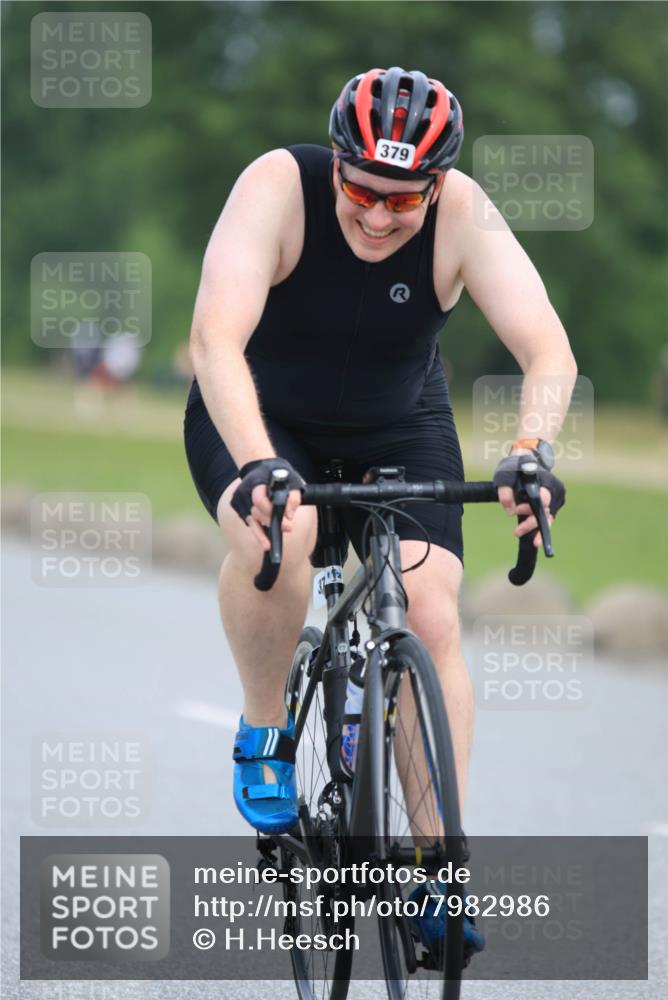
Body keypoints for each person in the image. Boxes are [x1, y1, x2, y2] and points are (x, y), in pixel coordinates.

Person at [185, 67, 575, 957]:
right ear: (336, 167)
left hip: (400, 421)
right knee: (283, 533)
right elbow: (216, 338)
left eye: (404, 200)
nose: (377, 214)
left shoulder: (462, 213)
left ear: (437, 186)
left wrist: (531, 452)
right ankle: (263, 729)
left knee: (432, 610)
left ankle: (437, 871)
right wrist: (257, 464)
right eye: (361, 189)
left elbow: (546, 347)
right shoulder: (276, 187)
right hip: (257, 409)